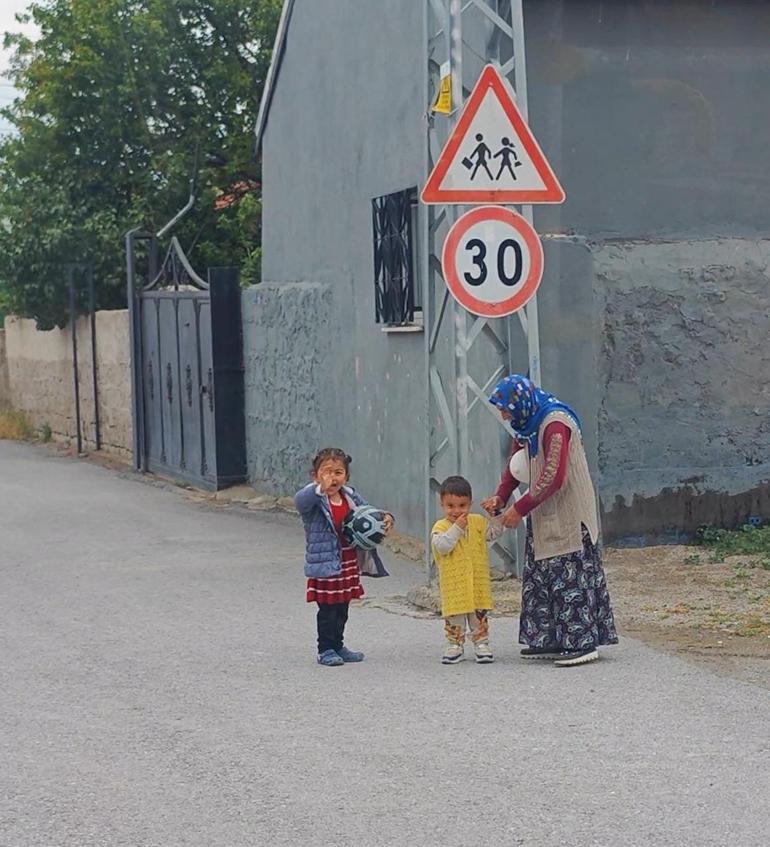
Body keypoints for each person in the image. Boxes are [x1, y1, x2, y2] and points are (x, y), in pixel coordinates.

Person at [482, 375, 618, 667]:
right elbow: (515, 464)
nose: (504, 414)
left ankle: (582, 642)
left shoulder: (554, 423)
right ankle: (549, 638)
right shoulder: (526, 425)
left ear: (520, 403)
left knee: (568, 573)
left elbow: (554, 476)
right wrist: (500, 498)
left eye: (506, 408)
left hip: (568, 510)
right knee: (542, 572)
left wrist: (519, 508)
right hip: (542, 508)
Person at [295, 448, 393, 667]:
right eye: (327, 471)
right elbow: (300, 501)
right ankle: (325, 649)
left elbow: (369, 511)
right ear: (315, 476)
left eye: (338, 472)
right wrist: (319, 489)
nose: (333, 477)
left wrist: (385, 517)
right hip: (326, 563)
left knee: (342, 607)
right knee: (328, 610)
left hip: (347, 561)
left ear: (346, 477)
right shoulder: (314, 500)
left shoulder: (350, 496)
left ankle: (338, 645)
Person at [431, 475, 503, 665]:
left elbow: (494, 534)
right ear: (442, 504)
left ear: (470, 503)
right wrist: (456, 528)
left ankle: (481, 642)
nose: (456, 511)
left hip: (477, 583)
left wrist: (493, 516)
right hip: (454, 584)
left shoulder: (477, 522)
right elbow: (442, 547)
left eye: (462, 505)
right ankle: (454, 644)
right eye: (450, 506)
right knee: (454, 616)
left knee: (478, 616)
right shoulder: (440, 527)